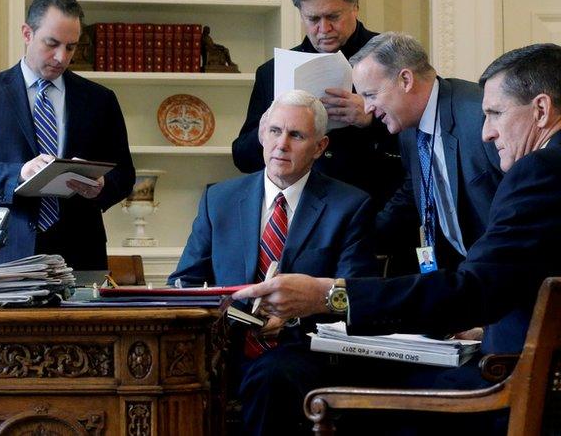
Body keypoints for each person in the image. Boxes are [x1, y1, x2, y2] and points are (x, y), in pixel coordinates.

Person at [234, 43, 561, 431]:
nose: (487, 131)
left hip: (516, 380)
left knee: (333, 401)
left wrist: (329, 295)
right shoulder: (412, 135)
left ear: (540, 110)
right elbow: (520, 270)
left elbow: (476, 286)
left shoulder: (538, 168)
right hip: (502, 340)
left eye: (494, 114)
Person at [170, 90, 378, 435]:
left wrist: (295, 311)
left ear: (320, 146)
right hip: (226, 346)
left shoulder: (350, 205)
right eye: (275, 131)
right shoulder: (219, 199)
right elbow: (184, 282)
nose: (282, 144)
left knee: (269, 376)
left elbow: (356, 295)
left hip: (303, 349)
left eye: (296, 135)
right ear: (261, 135)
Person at [0, 0, 135, 270]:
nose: (61, 57)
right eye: (52, 44)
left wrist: (101, 186)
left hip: (81, 254)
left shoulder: (100, 99)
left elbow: (125, 174)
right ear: (27, 33)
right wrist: (19, 173)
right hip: (6, 251)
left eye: (71, 47)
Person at [231, 0, 405, 216]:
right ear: (300, 13)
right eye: (313, 18)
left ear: (355, 7)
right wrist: (270, 130)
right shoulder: (272, 72)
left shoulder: (394, 57)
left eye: (333, 16)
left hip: (377, 213)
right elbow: (242, 159)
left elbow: (426, 144)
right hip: (298, 220)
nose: (324, 29)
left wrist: (372, 120)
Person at [352, 32, 503, 275]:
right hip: (461, 273)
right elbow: (414, 191)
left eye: (370, 95)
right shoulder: (408, 126)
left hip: (510, 274)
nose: (367, 107)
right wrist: (355, 238)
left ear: (405, 80)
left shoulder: (479, 115)